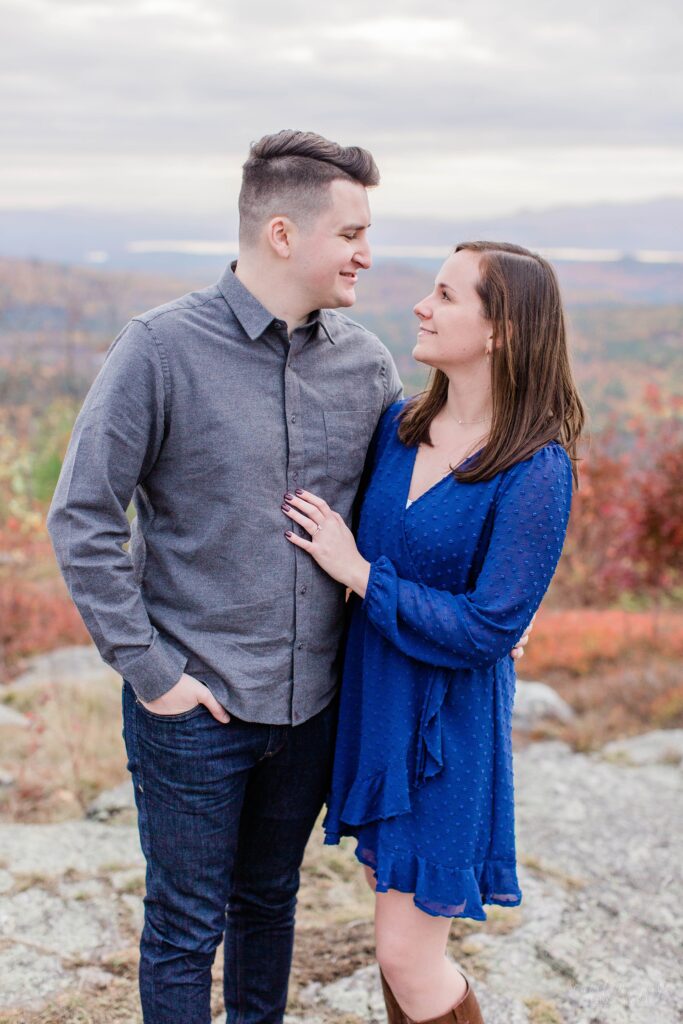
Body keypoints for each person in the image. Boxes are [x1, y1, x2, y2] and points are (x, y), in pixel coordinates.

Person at [46, 130, 531, 1024]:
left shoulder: (367, 367)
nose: (367, 253)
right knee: (185, 927)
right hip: (196, 707)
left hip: (314, 711)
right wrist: (155, 678)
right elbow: (80, 519)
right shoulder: (157, 350)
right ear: (282, 233)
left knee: (269, 906)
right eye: (350, 233)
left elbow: (430, 503)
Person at [278, 241, 585, 1024]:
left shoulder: (535, 468)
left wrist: (360, 575)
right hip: (374, 705)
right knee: (395, 945)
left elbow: (487, 627)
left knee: (409, 957)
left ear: (500, 332)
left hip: (443, 732)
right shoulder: (399, 425)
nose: (420, 305)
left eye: (446, 296)